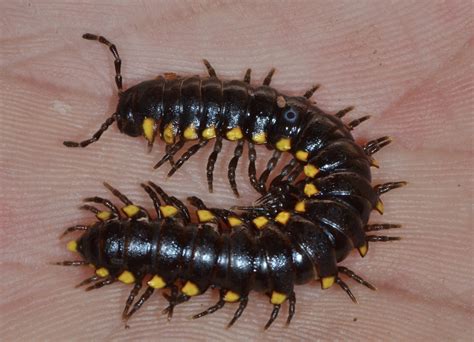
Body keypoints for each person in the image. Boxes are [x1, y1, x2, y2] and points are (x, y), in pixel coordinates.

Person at [0, 1, 472, 340]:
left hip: (317, 235)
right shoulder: (294, 136)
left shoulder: (326, 152)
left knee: (237, 251)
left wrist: (276, 203)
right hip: (304, 234)